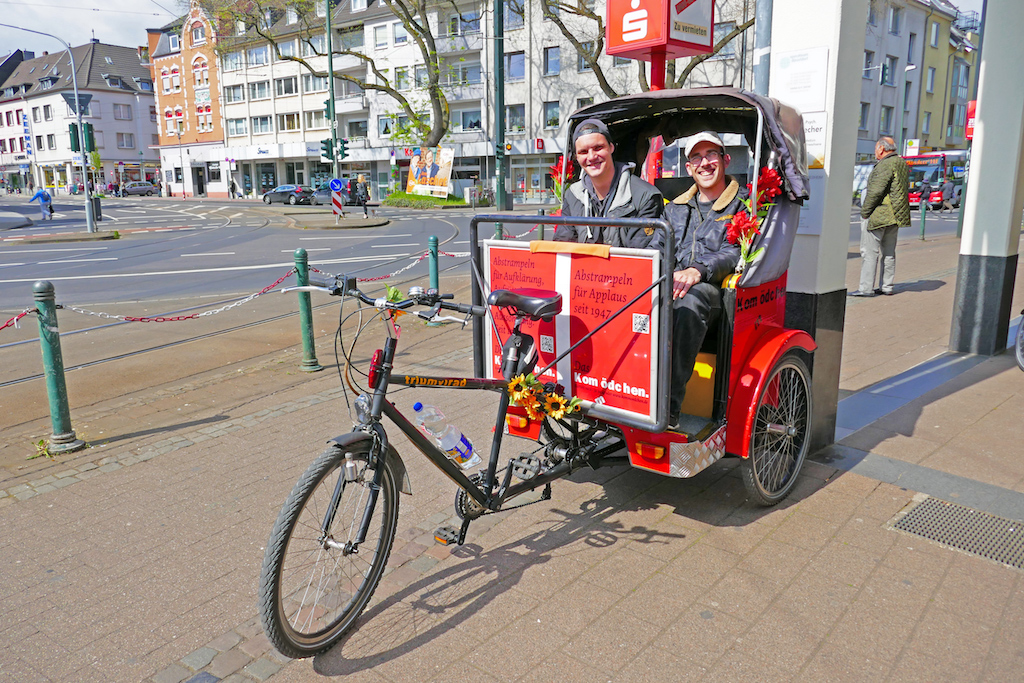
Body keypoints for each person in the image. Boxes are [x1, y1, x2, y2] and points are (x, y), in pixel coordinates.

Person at [649, 131, 745, 428]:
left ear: (725, 160)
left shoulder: (742, 205)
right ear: (689, 168)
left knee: (689, 300)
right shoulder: (674, 208)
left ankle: (668, 407)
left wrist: (699, 270)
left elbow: (734, 252)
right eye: (697, 158)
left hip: (715, 295)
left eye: (711, 155)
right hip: (672, 286)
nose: (705, 163)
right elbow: (657, 248)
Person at [553, 118, 663, 248]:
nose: (591, 157)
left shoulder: (646, 197)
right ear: (577, 157)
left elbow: (640, 255)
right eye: (583, 152)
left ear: (611, 147)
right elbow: (563, 247)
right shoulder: (573, 195)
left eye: (598, 148)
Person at [853, 136, 910, 297]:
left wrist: (865, 212)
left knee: (869, 252)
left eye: (876, 148)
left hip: (880, 213)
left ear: (881, 148)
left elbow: (876, 192)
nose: (875, 152)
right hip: (896, 214)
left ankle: (866, 288)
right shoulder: (901, 162)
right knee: (889, 252)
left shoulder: (885, 164)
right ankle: (887, 286)